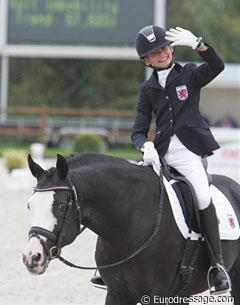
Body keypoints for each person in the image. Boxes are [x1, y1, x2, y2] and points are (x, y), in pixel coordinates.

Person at [132, 25, 231, 295]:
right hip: (161, 152)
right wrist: (145, 146)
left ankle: (217, 267)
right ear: (146, 60)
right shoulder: (147, 89)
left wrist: (199, 44)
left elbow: (217, 66)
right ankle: (109, 268)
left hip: (189, 151)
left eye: (164, 47)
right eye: (154, 52)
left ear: (172, 48)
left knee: (201, 195)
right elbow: (138, 130)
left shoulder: (189, 73)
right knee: (132, 193)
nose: (161, 54)